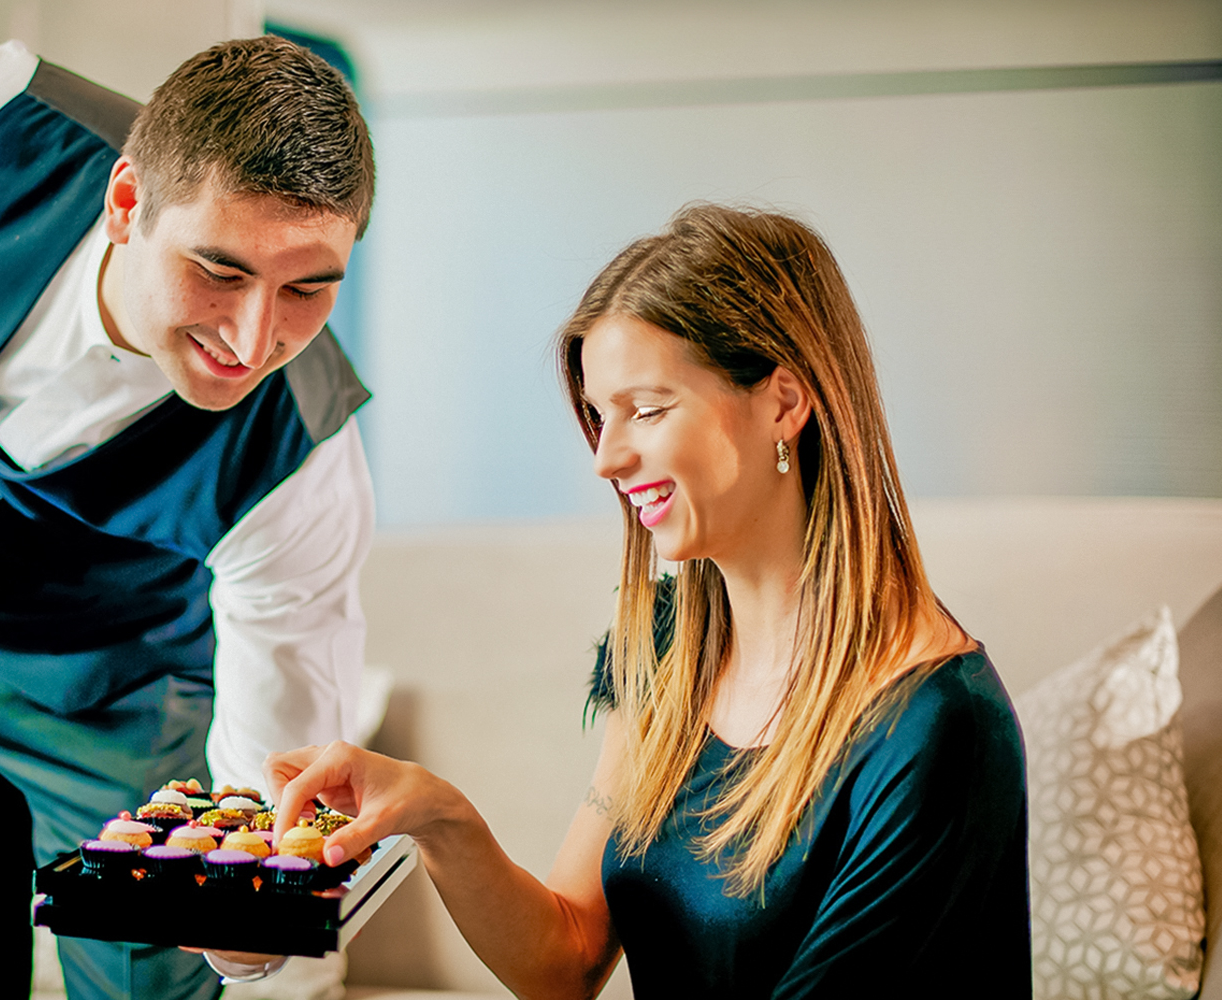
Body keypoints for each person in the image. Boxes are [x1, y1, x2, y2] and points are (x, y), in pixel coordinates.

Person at [265, 204, 1030, 998]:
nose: (606, 458)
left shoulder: (936, 728)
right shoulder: (667, 645)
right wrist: (439, 817)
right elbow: (566, 959)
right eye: (601, 417)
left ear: (783, 402)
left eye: (648, 409)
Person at [0, 35, 375, 1000]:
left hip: (115, 712)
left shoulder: (304, 453)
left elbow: (279, 736)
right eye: (220, 270)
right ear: (125, 204)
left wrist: (247, 912)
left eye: (307, 287)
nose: (255, 340)